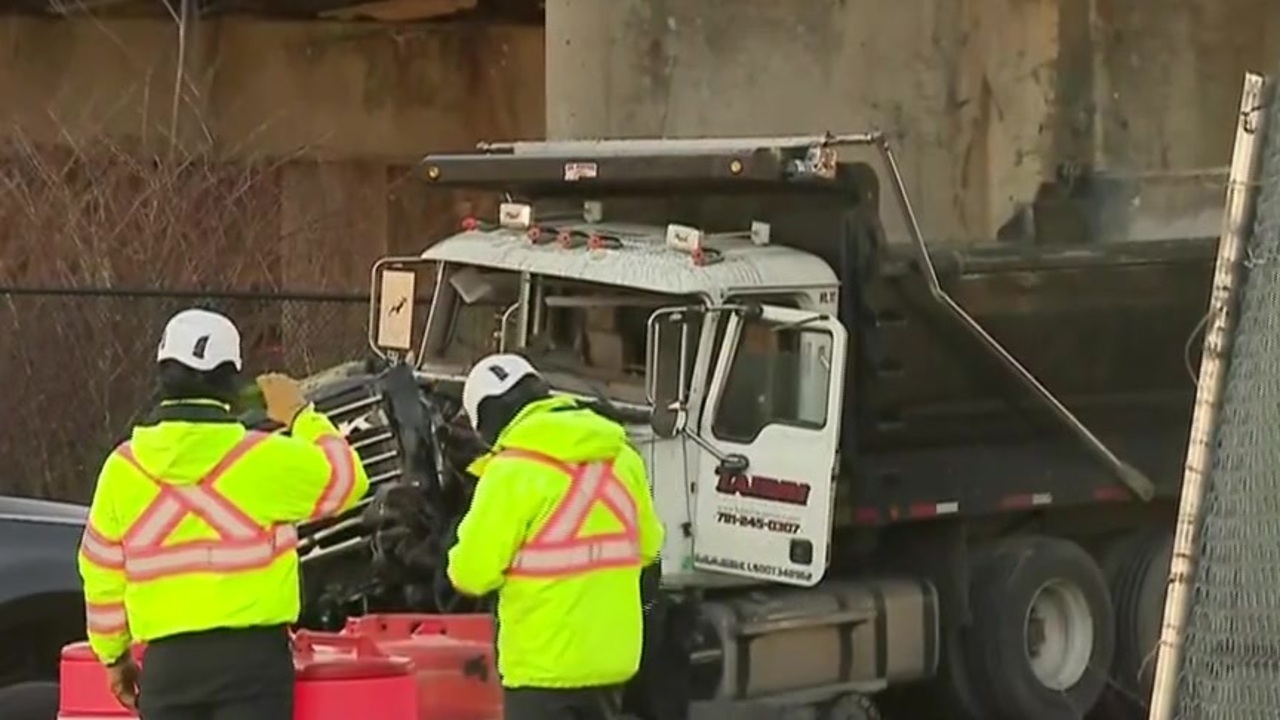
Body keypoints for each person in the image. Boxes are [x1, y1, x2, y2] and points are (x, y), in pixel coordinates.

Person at [76, 308, 371, 720]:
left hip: (168, 668)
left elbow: (100, 571)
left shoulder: (123, 469)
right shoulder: (263, 458)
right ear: (232, 378)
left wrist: (114, 657)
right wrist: (301, 415)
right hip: (254, 663)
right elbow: (348, 481)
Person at [447, 353, 666, 720]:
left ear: (486, 421)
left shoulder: (511, 472)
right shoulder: (622, 458)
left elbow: (471, 574)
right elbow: (649, 550)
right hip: (611, 663)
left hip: (542, 669)